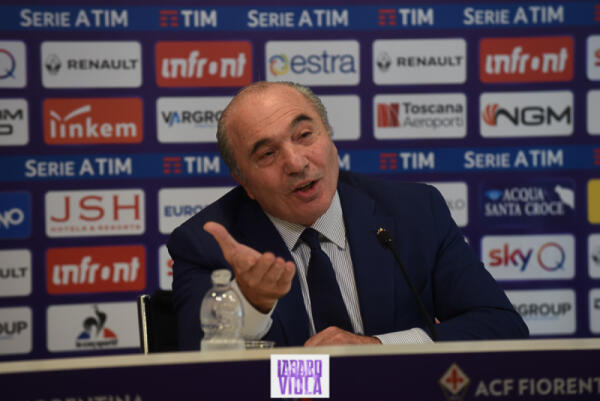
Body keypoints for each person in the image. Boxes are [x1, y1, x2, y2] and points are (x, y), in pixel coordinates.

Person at [168, 81, 528, 350]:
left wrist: (376, 350)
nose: (296, 162)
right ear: (243, 181)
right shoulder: (206, 243)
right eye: (267, 154)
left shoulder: (416, 211)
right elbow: (197, 374)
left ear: (329, 136)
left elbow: (501, 327)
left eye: (304, 135)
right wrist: (251, 303)